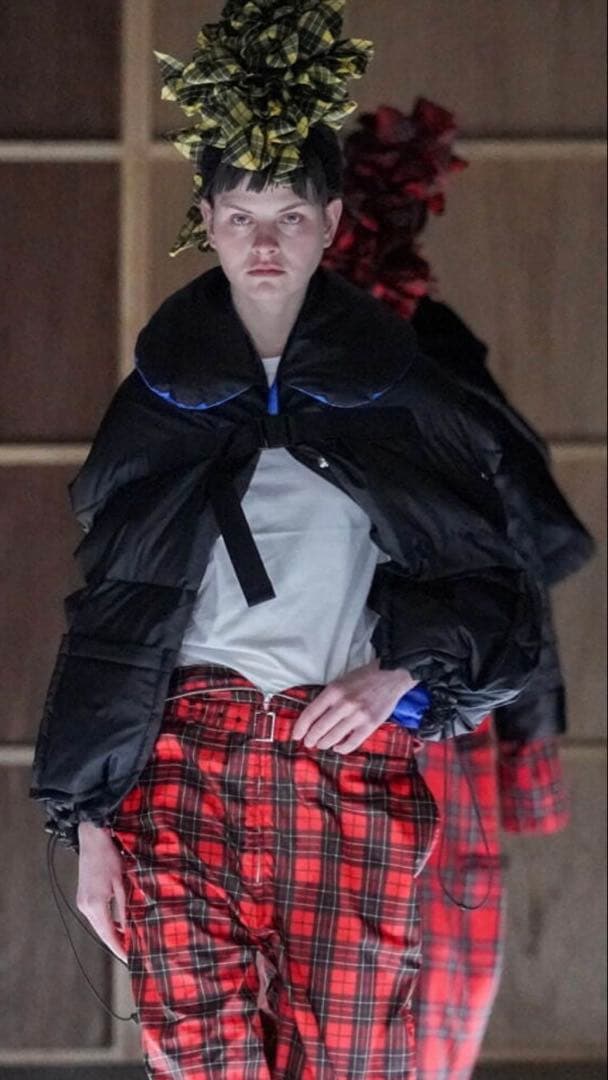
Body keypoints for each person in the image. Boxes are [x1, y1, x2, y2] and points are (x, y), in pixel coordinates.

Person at [31, 5, 543, 1078]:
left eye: (290, 215)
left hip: (344, 761)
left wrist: (401, 678)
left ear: (330, 221)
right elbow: (113, 611)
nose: (264, 244)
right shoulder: (161, 400)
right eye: (240, 215)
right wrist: (88, 821)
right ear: (206, 223)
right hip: (183, 756)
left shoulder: (402, 395)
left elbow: (494, 586)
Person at [322, 99, 594, 1079]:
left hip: (433, 689)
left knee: (441, 973)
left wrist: (524, 741)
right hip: (278, 694)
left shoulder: (431, 349)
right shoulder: (236, 348)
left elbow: (510, 548)